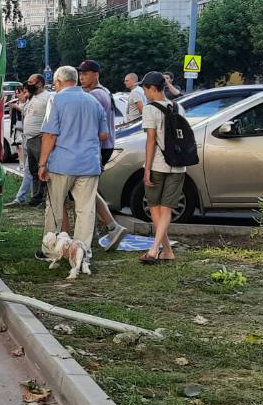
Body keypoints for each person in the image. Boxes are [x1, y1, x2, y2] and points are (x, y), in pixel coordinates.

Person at [36, 66, 112, 260]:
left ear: (59, 82)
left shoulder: (57, 100)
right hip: (89, 163)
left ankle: (50, 250)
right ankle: (82, 253)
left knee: (54, 207)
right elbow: (104, 134)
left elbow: (50, 135)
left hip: (62, 163)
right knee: (86, 209)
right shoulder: (93, 101)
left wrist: (42, 163)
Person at [76, 60, 132, 250]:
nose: (81, 77)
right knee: (86, 190)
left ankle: (111, 227)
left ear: (96, 75)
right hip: (100, 146)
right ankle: (106, 228)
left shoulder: (96, 96)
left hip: (98, 147)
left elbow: (92, 128)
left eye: (86, 73)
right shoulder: (99, 93)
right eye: (80, 73)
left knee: (85, 190)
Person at [138, 72, 185, 263]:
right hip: (179, 165)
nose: (144, 92)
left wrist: (146, 169)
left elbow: (151, 140)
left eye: (144, 88)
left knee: (154, 208)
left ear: (152, 88)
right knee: (165, 210)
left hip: (158, 164)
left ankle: (153, 249)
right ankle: (167, 251)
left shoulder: (150, 109)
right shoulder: (178, 106)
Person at [20, 74, 51, 206]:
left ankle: (45, 199)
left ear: (39, 84)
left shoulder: (48, 97)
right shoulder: (32, 97)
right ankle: (36, 196)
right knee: (33, 170)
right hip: (29, 139)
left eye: (31, 82)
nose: (28, 84)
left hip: (40, 139)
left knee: (42, 169)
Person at [8, 84, 35, 206]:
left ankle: (24, 197)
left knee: (32, 170)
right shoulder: (29, 103)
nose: (22, 95)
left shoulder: (33, 103)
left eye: (24, 92)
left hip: (35, 140)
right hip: (27, 138)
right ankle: (26, 196)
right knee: (30, 170)